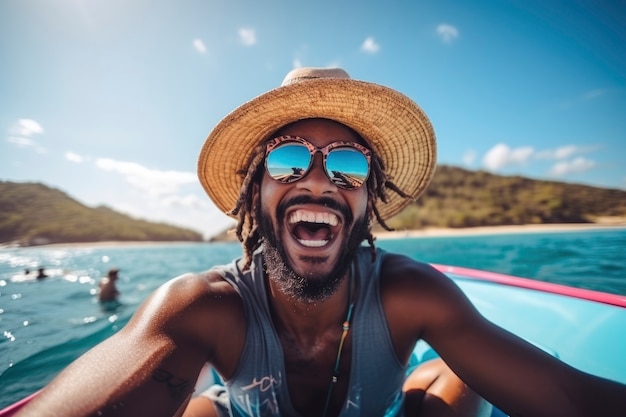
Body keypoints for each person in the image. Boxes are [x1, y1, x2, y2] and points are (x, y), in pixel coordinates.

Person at [15, 68, 626, 417]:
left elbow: (570, 397)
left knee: (458, 387)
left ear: (368, 199)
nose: (318, 179)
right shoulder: (204, 306)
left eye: (349, 167)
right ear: (253, 194)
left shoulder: (411, 293)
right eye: (285, 161)